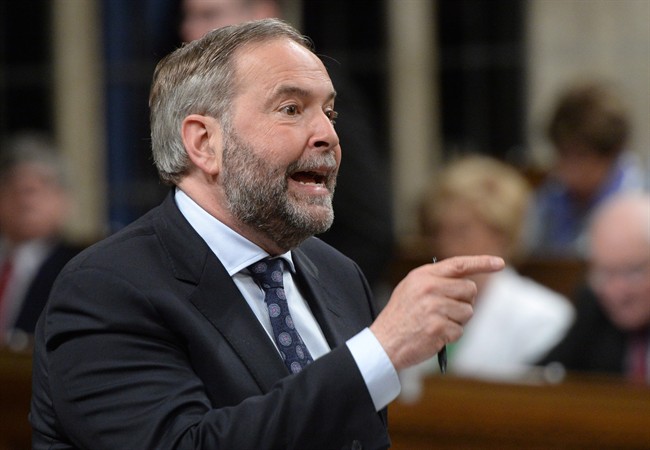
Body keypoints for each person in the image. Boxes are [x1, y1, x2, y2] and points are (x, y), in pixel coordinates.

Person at [30, 20, 503, 449]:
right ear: (204, 143)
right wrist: (380, 350)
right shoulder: (106, 288)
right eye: (292, 108)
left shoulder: (338, 275)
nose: (328, 136)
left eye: (330, 113)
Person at [179, 0, 395, 289]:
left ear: (262, 15)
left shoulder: (314, 90)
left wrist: (320, 296)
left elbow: (369, 227)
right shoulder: (135, 278)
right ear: (201, 139)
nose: (189, 29)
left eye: (209, 15)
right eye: (291, 110)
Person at [406, 155, 574, 382]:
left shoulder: (545, 316)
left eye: (461, 231)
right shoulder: (420, 304)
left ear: (501, 234)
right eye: (439, 231)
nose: (446, 245)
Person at [525, 79, 648, 257]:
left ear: (611, 154)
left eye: (580, 155)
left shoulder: (642, 199)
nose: (566, 167)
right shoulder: (550, 199)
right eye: (562, 154)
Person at [538, 192, 650, 384]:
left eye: (633, 272)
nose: (617, 291)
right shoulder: (594, 306)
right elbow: (540, 376)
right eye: (605, 273)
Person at [0, 133, 82, 351]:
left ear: (64, 199)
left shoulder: (80, 270)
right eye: (13, 182)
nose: (26, 196)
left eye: (42, 183)